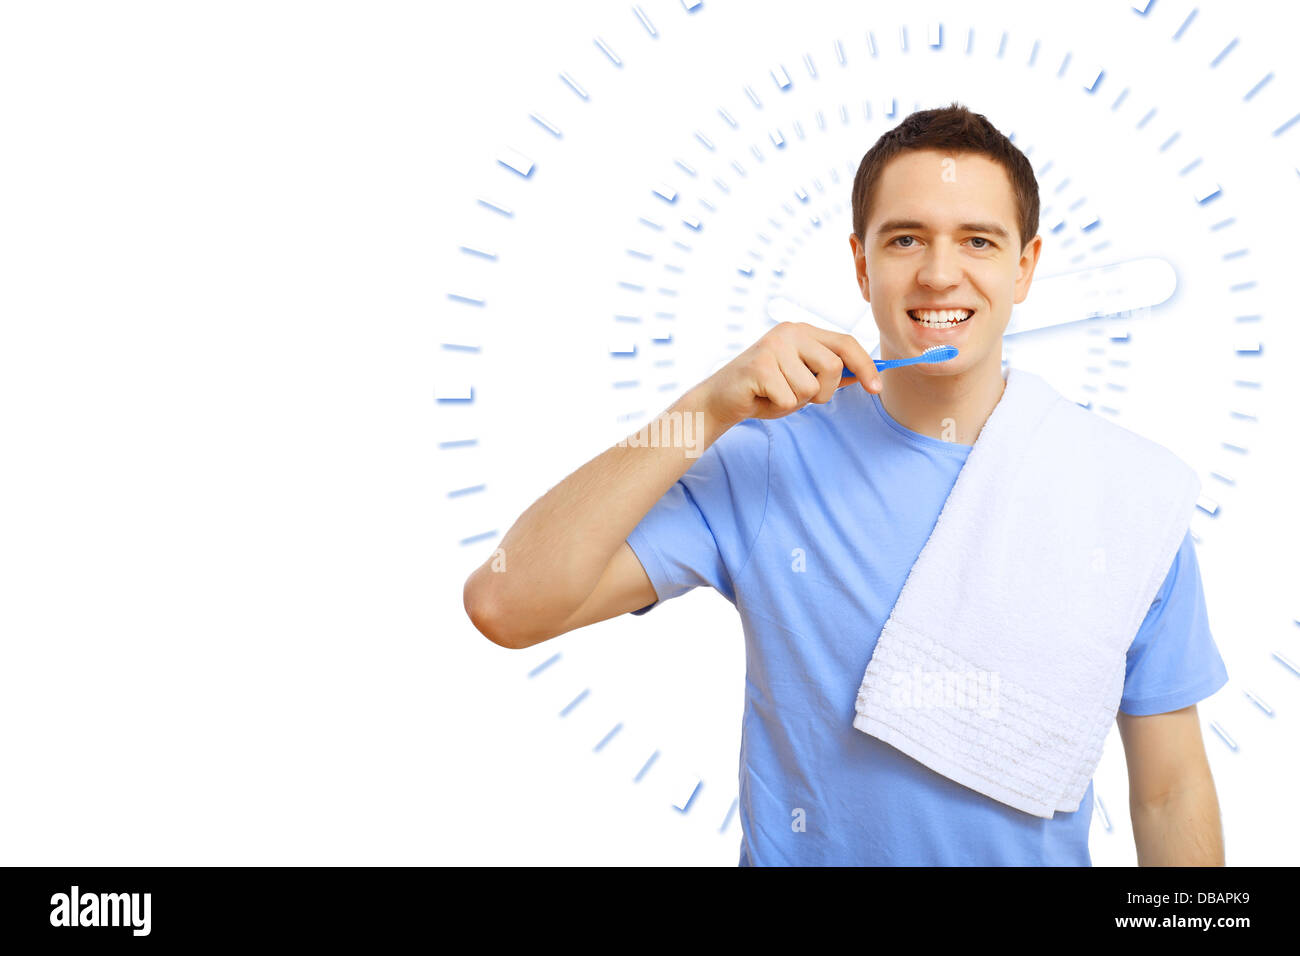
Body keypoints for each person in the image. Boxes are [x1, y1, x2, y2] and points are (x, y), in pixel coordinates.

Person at [463, 102, 1229, 866]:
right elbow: (506, 603)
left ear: (1024, 266)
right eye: (905, 239)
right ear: (861, 266)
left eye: (977, 240)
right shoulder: (766, 462)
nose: (938, 272)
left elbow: (1170, 791)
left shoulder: (1126, 494)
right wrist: (707, 405)